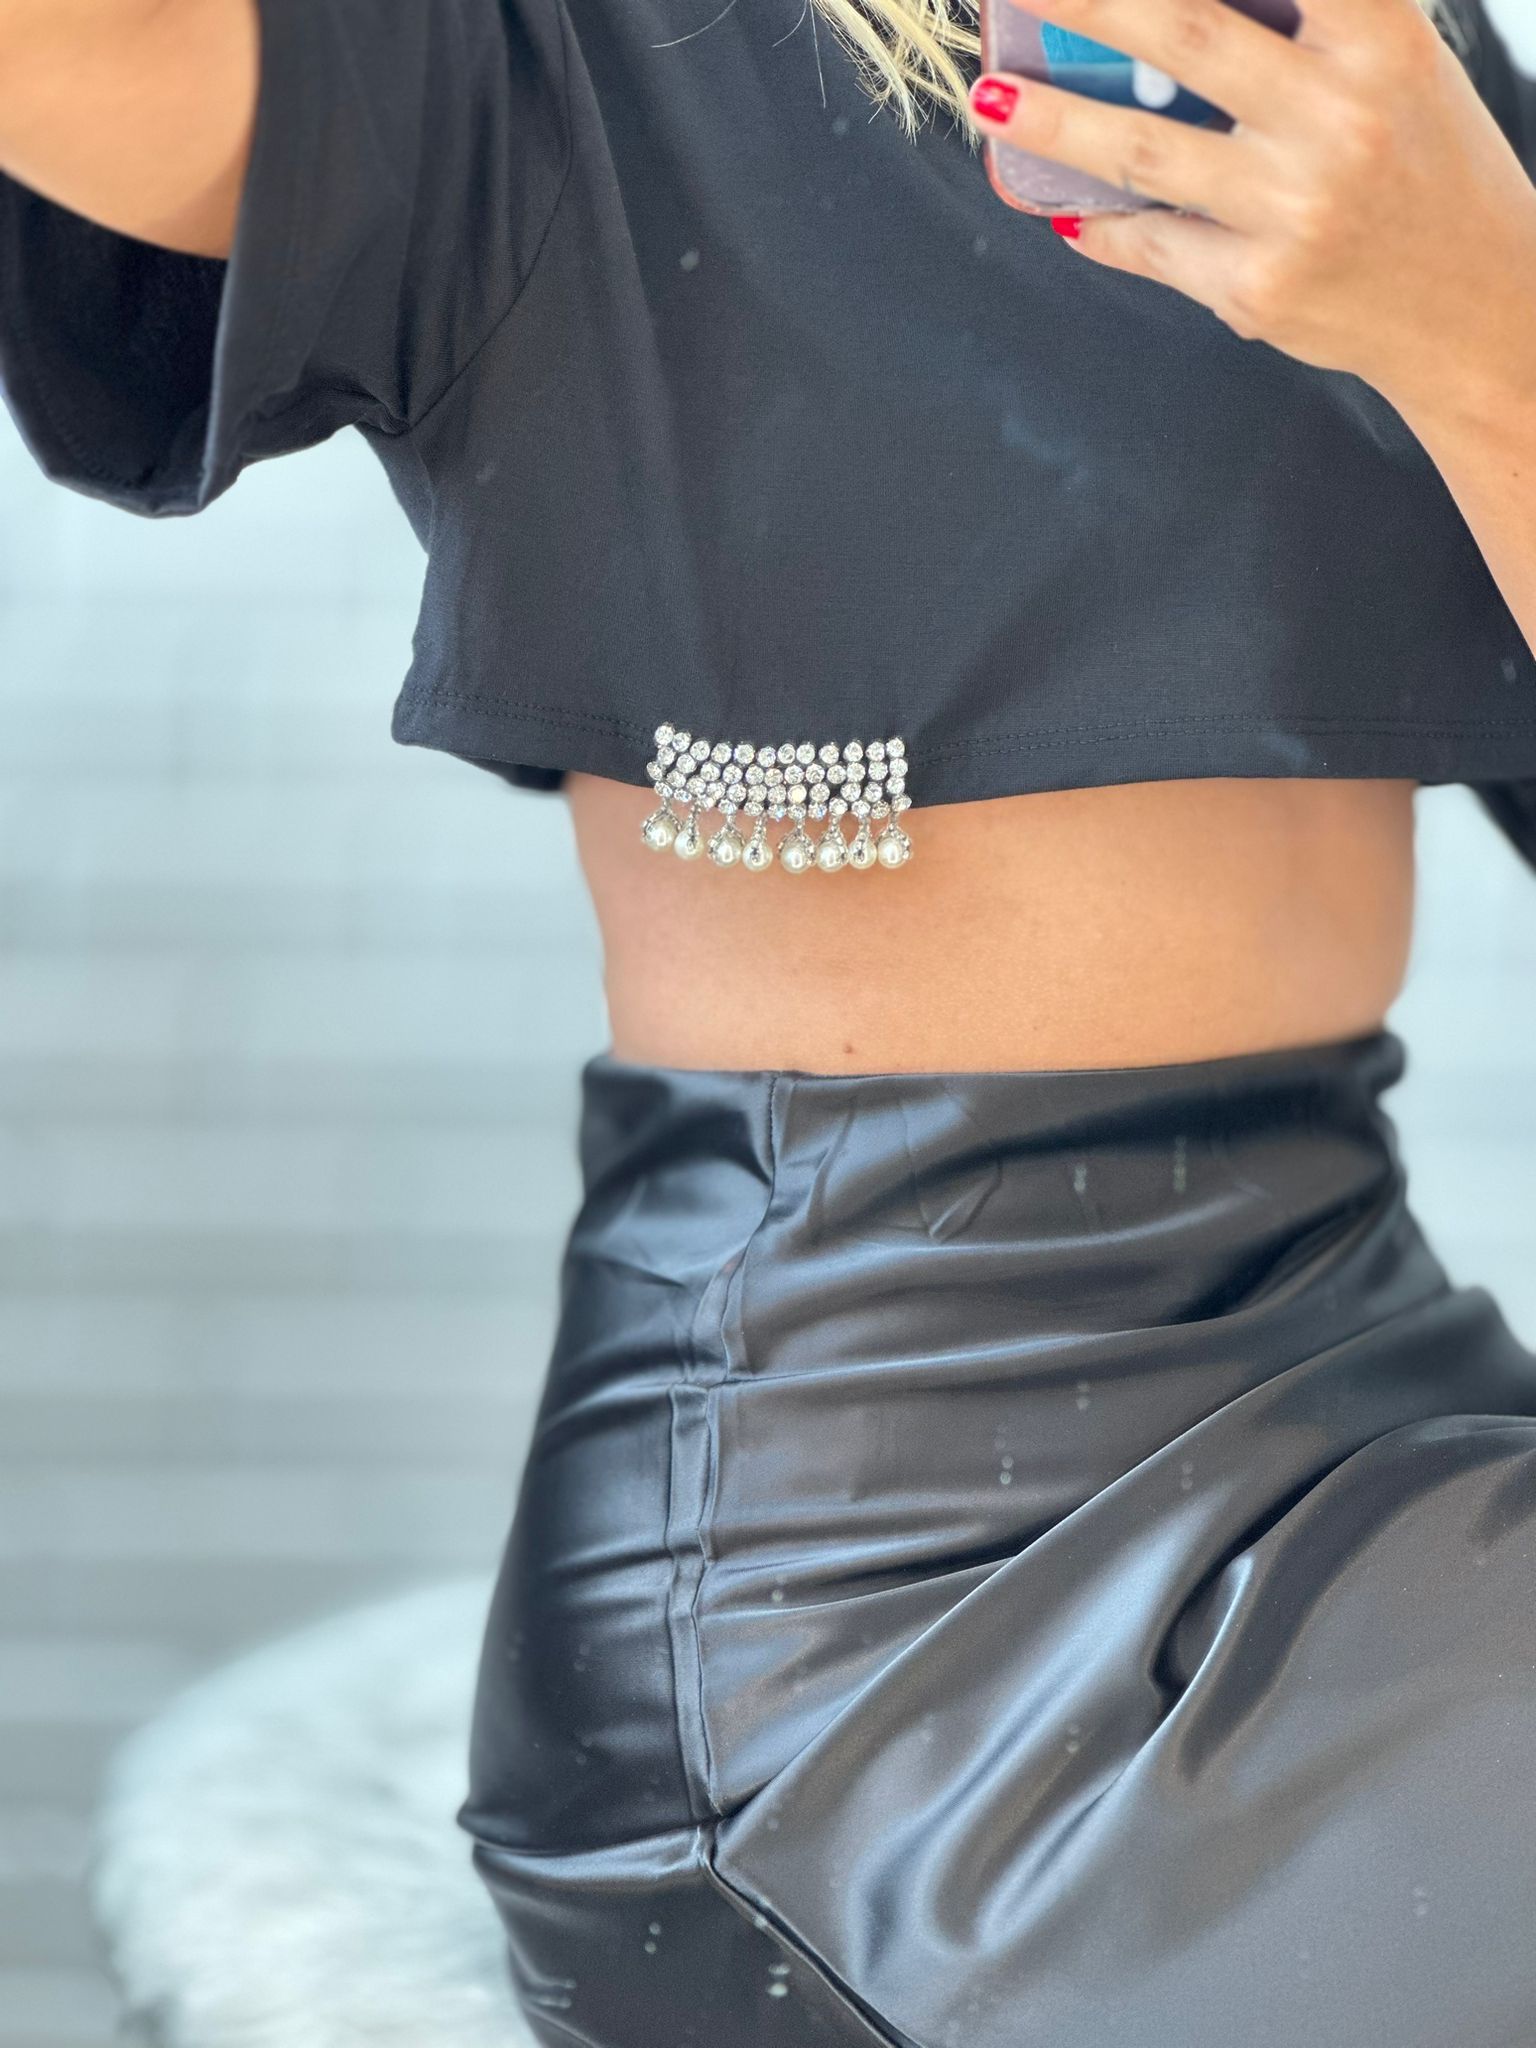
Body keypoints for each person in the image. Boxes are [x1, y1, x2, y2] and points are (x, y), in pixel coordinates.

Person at [3, 0, 1536, 2040]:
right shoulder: (555, 55)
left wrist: (1487, 323)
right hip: (888, 1642)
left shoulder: (1372, 69)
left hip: (1380, 1412)